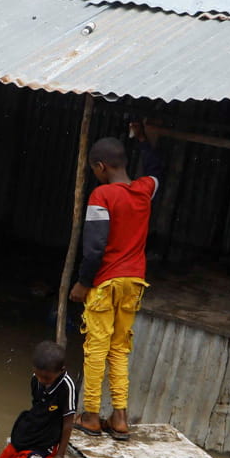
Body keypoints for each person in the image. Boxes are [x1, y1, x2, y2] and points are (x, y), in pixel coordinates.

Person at [69, 136, 156, 441]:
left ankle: (91, 415)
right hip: (134, 281)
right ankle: (119, 417)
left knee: (96, 347)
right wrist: (146, 141)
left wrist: (82, 282)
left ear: (100, 166)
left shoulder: (101, 195)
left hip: (105, 281)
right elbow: (155, 173)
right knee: (119, 348)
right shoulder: (145, 191)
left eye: (95, 169)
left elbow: (94, 247)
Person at [0, 340, 78, 458]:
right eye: (38, 375)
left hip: (43, 444)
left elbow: (68, 422)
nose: (42, 380)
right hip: (28, 433)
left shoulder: (67, 386)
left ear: (61, 371)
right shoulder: (36, 380)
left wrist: (60, 453)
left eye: (46, 377)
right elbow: (37, 407)